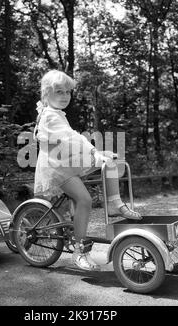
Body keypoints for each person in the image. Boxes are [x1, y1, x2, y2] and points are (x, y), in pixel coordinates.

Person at [34, 70, 141, 271]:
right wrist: (94, 154)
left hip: (66, 162)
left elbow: (74, 137)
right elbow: (71, 140)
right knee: (84, 200)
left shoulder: (57, 113)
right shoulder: (49, 117)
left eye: (68, 92)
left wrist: (97, 153)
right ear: (46, 94)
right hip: (57, 168)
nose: (65, 96)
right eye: (59, 92)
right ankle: (80, 252)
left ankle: (115, 203)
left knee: (109, 163)